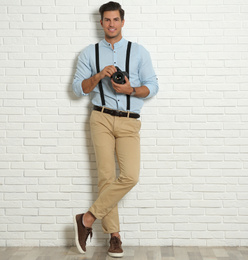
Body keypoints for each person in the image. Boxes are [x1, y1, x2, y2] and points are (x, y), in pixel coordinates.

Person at [71, 1, 158, 258]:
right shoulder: (89, 53)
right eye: (107, 20)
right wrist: (99, 76)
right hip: (101, 118)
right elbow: (79, 90)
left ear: (122, 22)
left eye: (115, 20)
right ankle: (115, 236)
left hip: (130, 120)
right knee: (106, 177)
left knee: (130, 176)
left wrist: (129, 89)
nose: (111, 24)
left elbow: (152, 86)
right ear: (101, 23)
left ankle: (86, 219)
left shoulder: (139, 52)